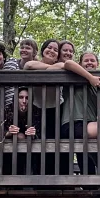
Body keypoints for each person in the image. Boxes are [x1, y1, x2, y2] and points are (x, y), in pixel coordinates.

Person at [61, 52, 100, 174]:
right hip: (71, 124)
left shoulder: (98, 83)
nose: (89, 62)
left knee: (84, 154)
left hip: (88, 126)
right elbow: (68, 63)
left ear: (97, 64)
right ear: (80, 64)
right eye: (86, 60)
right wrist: (90, 78)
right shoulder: (73, 76)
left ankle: (94, 184)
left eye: (92, 60)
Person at [24, 39, 67, 174]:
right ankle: (37, 180)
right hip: (36, 109)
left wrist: (57, 66)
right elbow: (29, 66)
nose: (52, 51)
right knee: (37, 144)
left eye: (55, 50)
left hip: (57, 110)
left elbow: (62, 66)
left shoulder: (61, 65)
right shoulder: (33, 63)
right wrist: (54, 68)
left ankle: (59, 180)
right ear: (43, 50)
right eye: (49, 47)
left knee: (56, 144)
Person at [0, 87, 41, 174]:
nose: (24, 101)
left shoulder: (36, 112)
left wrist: (34, 134)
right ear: (15, 99)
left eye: (27, 98)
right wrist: (8, 133)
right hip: (7, 156)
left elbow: (43, 136)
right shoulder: (5, 111)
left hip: (30, 155)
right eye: (21, 97)